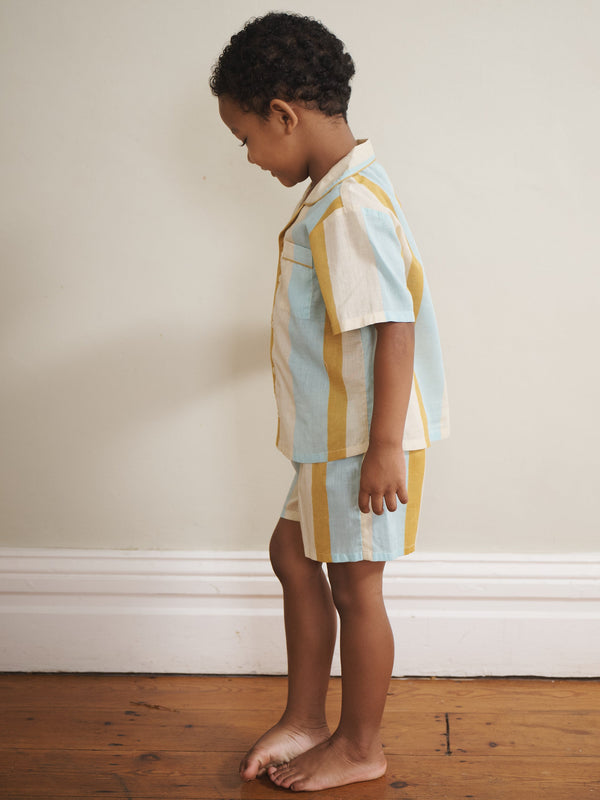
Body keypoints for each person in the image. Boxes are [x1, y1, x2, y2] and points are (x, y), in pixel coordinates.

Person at [210, 12, 449, 792]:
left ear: (284, 114)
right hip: (332, 436)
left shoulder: (349, 209)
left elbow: (393, 325)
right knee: (291, 553)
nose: (246, 156)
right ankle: (309, 717)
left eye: (245, 136)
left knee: (356, 585)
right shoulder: (336, 194)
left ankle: (360, 744)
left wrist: (384, 448)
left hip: (359, 442)